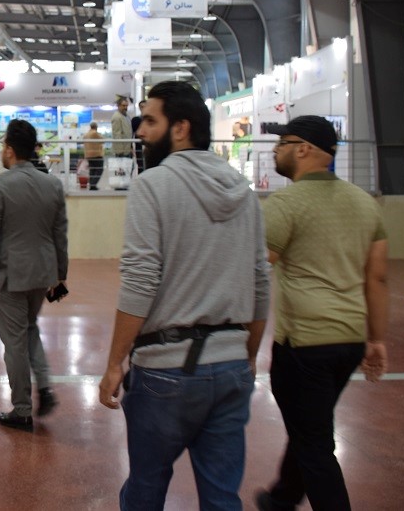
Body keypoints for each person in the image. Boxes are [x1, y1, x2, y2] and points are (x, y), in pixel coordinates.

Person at [97, 81, 269, 510]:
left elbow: (140, 281)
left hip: (165, 371)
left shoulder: (152, 185)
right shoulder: (243, 192)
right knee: (222, 497)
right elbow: (260, 283)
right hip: (230, 367)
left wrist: (115, 362)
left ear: (181, 128)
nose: (140, 131)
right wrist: (247, 355)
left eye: (150, 121)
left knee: (146, 488)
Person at [256, 115, 388, 511]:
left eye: (282, 143)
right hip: (348, 341)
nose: (276, 150)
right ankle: (282, 498)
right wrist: (377, 339)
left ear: (304, 149)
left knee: (313, 442)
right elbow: (377, 278)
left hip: (304, 345)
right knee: (310, 425)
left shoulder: (286, 203)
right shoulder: (365, 203)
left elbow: (257, 269)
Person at [0, 119, 67, 432]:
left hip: (9, 276)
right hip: (42, 274)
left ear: (10, 149)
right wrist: (60, 274)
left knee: (14, 343)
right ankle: (44, 385)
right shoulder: (52, 185)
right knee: (29, 328)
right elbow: (60, 234)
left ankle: (22, 409)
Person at [83, 122, 105, 190]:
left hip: (88, 155)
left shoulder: (86, 134)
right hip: (96, 154)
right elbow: (103, 140)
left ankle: (92, 185)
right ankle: (93, 184)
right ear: (96, 127)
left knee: (92, 170)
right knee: (99, 169)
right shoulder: (95, 133)